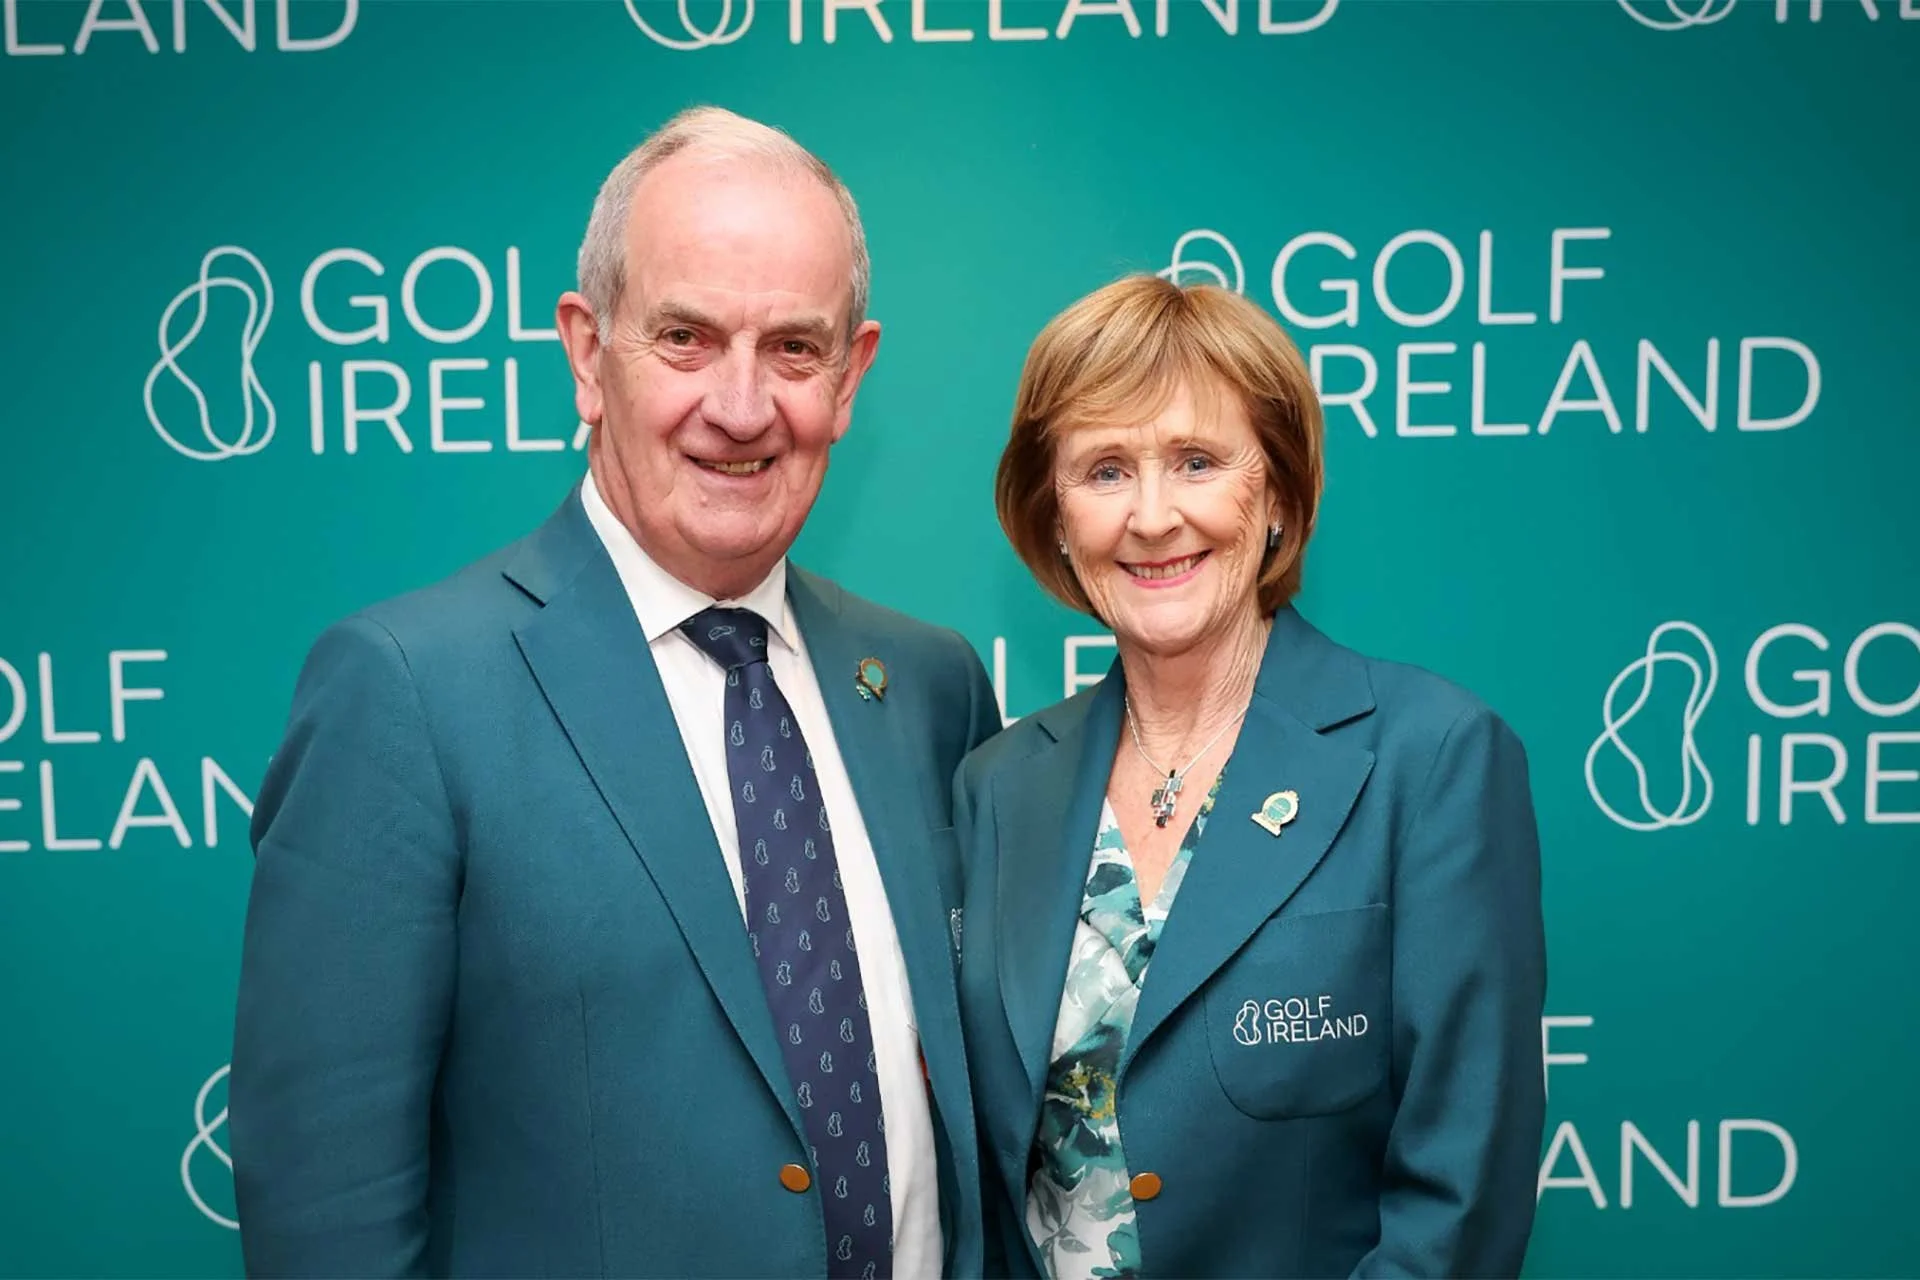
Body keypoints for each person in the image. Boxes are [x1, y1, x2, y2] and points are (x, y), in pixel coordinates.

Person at [230, 106, 1002, 1279]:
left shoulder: (929, 684)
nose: (742, 408)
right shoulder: (406, 694)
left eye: (794, 348)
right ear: (589, 353)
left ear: (853, 376)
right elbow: (326, 1217)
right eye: (686, 337)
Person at [954, 275, 1547, 1279]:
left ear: (1274, 489)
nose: (1152, 515)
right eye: (1104, 469)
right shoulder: (998, 785)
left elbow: (1460, 1195)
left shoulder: (1432, 758)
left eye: (1195, 460)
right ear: (1053, 513)